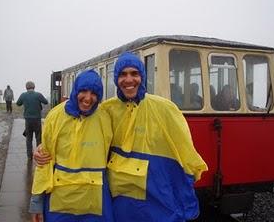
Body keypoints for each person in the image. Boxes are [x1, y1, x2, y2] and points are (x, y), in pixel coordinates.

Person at [35, 52, 208, 221]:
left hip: (155, 199)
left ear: (143, 76)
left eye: (134, 73)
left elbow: (186, 151)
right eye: (123, 74)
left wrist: (189, 180)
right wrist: (40, 153)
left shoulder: (165, 109)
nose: (129, 79)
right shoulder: (106, 110)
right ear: (116, 79)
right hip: (119, 199)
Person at [29, 70, 113, 222]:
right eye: (83, 91)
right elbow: (44, 164)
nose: (88, 98)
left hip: (95, 203)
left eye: (94, 93)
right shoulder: (55, 116)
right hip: (60, 204)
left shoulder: (105, 118)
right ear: (75, 90)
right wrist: (37, 202)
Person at [16, 81, 48, 159]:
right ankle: (39, 154)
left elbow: (18, 103)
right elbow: (46, 102)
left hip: (28, 120)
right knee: (38, 138)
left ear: (26, 87)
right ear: (34, 87)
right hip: (37, 119)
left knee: (29, 138)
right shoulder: (38, 95)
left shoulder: (23, 95)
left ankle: (29, 155)